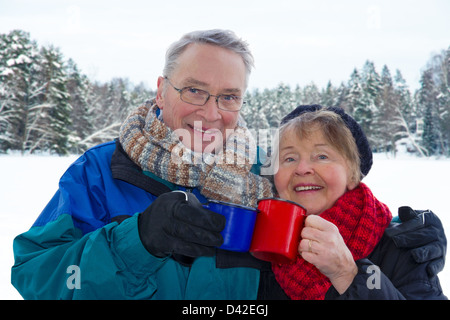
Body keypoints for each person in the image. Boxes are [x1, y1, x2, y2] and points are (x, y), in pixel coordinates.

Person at [11, 29, 446, 300]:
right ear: (162, 90)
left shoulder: (265, 171)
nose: (210, 112)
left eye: (228, 97)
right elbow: (37, 277)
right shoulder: (100, 172)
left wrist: (404, 240)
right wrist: (136, 241)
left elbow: (334, 188)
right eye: (194, 91)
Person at [260, 104, 447, 300]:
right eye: (289, 158)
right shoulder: (260, 245)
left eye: (321, 156)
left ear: (352, 175)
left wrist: (347, 274)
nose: (303, 168)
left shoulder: (402, 250)